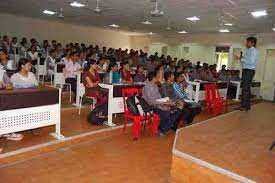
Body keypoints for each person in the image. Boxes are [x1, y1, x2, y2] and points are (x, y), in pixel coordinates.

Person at [142, 71, 180, 135]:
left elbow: (159, 97)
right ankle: (163, 129)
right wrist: (162, 103)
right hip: (151, 106)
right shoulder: (147, 87)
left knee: (176, 110)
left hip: (158, 103)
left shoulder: (155, 85)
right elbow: (150, 101)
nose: (158, 78)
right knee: (167, 112)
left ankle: (163, 128)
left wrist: (165, 102)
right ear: (153, 78)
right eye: (157, 77)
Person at [235, 37, 259, 111]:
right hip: (246, 70)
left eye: (248, 42)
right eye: (247, 42)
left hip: (249, 70)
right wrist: (242, 59)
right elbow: (246, 60)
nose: (246, 43)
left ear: (253, 43)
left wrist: (241, 59)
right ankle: (246, 106)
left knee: (245, 88)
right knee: (246, 88)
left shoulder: (253, 51)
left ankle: (244, 106)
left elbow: (251, 61)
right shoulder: (248, 50)